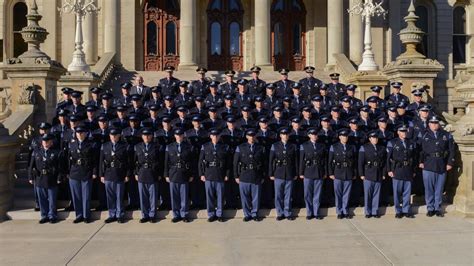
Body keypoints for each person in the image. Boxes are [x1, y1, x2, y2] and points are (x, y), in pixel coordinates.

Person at [419, 116, 455, 217]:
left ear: (438, 124)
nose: (434, 125)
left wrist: (450, 163)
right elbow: (419, 150)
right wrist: (420, 161)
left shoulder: (446, 135)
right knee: (429, 188)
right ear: (429, 124)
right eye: (432, 123)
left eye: (436, 123)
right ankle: (430, 208)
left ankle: (438, 208)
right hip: (428, 164)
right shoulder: (424, 134)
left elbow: (451, 150)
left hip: (441, 164)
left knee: (439, 188)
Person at [28, 133, 64, 224]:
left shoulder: (56, 152)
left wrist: (59, 177)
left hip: (51, 178)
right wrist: (30, 176)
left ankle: (52, 215)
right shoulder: (36, 152)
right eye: (44, 141)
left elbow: (60, 167)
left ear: (51, 142)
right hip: (40, 178)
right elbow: (31, 165)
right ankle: (44, 215)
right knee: (42, 198)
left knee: (52, 199)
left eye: (47, 141)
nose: (45, 142)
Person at [66, 126, 98, 224]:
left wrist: (94, 172)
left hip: (86, 172)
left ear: (85, 133)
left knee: (86, 196)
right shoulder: (71, 145)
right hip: (74, 172)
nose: (79, 134)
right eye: (78, 133)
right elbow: (67, 160)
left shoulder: (91, 145)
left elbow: (94, 160)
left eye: (81, 132)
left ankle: (86, 215)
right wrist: (68, 172)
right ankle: (79, 215)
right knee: (76, 196)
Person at [99, 128, 131, 224]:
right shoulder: (104, 146)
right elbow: (101, 161)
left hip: (119, 174)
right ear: (109, 136)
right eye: (111, 135)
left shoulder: (124, 146)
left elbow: (128, 162)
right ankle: (112, 214)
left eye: (115, 135)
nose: (113, 137)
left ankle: (120, 215)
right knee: (110, 197)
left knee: (119, 196)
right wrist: (101, 175)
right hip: (108, 174)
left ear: (119, 136)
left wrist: (127, 174)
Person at [199, 129, 231, 222]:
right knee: (209, 196)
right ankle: (211, 214)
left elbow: (228, 163)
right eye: (213, 135)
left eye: (217, 135)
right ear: (210, 136)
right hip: (208, 174)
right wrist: (201, 174)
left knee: (220, 196)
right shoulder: (205, 146)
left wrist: (227, 174)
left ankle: (220, 214)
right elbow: (201, 162)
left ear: (219, 136)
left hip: (220, 174)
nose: (215, 137)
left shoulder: (224, 147)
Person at [234, 129, 266, 222]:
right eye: (250, 136)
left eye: (253, 136)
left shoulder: (261, 148)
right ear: (247, 137)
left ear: (255, 137)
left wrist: (263, 176)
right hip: (244, 175)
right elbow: (235, 163)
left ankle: (255, 213)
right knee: (245, 197)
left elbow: (264, 163)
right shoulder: (240, 147)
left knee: (256, 197)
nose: (251, 137)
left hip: (256, 175)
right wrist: (236, 176)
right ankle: (247, 214)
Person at [387, 125, 417, 219]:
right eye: (402, 131)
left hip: (408, 169)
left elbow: (414, 158)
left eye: (405, 131)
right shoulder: (393, 142)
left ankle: (406, 210)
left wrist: (414, 170)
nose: (404, 133)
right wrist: (389, 170)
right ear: (398, 132)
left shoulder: (411, 143)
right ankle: (398, 211)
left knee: (407, 192)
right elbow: (388, 158)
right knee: (397, 192)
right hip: (397, 169)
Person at [164, 128, 193, 223]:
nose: (179, 137)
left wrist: (191, 174)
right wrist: (166, 175)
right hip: (173, 173)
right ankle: (176, 215)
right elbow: (166, 162)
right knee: (174, 196)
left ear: (183, 136)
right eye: (177, 135)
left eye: (181, 135)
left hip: (184, 173)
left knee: (184, 196)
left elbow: (191, 161)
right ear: (175, 136)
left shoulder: (188, 146)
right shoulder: (169, 147)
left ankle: (184, 214)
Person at [133, 128, 162, 223]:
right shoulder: (137, 147)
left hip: (153, 173)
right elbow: (134, 161)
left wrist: (159, 174)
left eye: (148, 135)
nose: (146, 137)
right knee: (143, 196)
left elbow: (160, 161)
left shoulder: (157, 147)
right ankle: (144, 215)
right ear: (142, 136)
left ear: (151, 136)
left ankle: (152, 215)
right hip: (141, 173)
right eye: (145, 135)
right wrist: (136, 173)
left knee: (153, 197)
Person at [269, 128, 298, 221]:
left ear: (288, 135)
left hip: (289, 173)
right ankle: (280, 213)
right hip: (278, 173)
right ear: (280, 135)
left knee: (288, 195)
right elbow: (271, 161)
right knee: (278, 195)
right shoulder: (275, 146)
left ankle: (287, 212)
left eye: (287, 134)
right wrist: (271, 173)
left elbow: (295, 161)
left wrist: (296, 173)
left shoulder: (293, 146)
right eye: (283, 134)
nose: (285, 135)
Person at [299, 128, 327, 220]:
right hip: (308, 172)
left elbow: (325, 160)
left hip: (319, 172)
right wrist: (301, 172)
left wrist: (325, 172)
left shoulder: (321, 146)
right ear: (309, 135)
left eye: (316, 134)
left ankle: (316, 212)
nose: (315, 136)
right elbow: (301, 160)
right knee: (307, 194)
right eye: (313, 134)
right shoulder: (304, 145)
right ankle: (309, 212)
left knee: (317, 194)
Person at [328, 129, 357, 219]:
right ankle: (339, 211)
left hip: (348, 172)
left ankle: (345, 210)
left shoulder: (352, 147)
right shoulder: (334, 146)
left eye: (346, 136)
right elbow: (330, 162)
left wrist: (354, 173)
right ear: (340, 137)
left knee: (346, 193)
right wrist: (331, 173)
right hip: (338, 172)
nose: (345, 137)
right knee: (338, 193)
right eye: (343, 136)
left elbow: (354, 161)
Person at [358, 131, 386, 218]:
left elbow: (384, 162)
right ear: (370, 139)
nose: (375, 139)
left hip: (378, 173)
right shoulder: (364, 147)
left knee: (376, 194)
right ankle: (368, 211)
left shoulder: (381, 148)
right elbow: (360, 162)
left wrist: (383, 173)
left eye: (376, 138)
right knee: (368, 194)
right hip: (368, 174)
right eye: (373, 138)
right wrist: (361, 174)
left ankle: (375, 211)